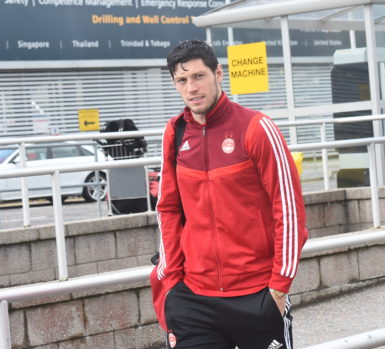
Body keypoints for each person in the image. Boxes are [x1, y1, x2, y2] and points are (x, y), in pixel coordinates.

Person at [149, 39, 309, 349]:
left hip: (256, 293)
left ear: (218, 74)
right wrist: (171, 283)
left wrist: (278, 288)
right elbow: (167, 209)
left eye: (199, 76)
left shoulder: (256, 128)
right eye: (182, 80)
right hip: (193, 298)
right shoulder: (175, 132)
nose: (191, 87)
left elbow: (289, 212)